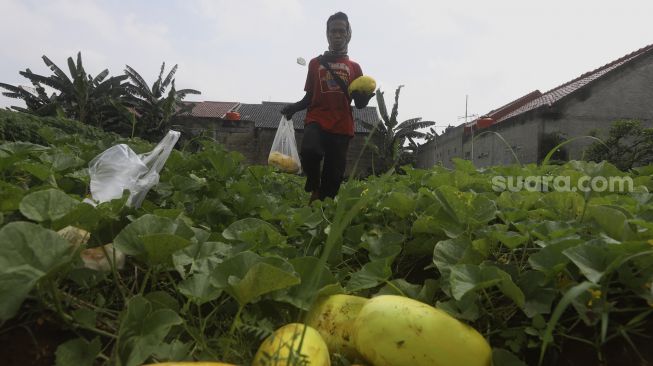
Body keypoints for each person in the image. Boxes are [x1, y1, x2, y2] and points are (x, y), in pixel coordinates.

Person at [281, 11, 374, 203]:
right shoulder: (315, 64)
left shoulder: (355, 68)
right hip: (317, 118)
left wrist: (365, 98)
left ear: (349, 34)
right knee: (309, 150)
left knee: (333, 179)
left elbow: (358, 104)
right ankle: (313, 184)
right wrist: (294, 108)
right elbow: (309, 96)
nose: (337, 35)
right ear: (327, 34)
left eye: (341, 31)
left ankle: (321, 204)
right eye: (333, 31)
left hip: (341, 126)